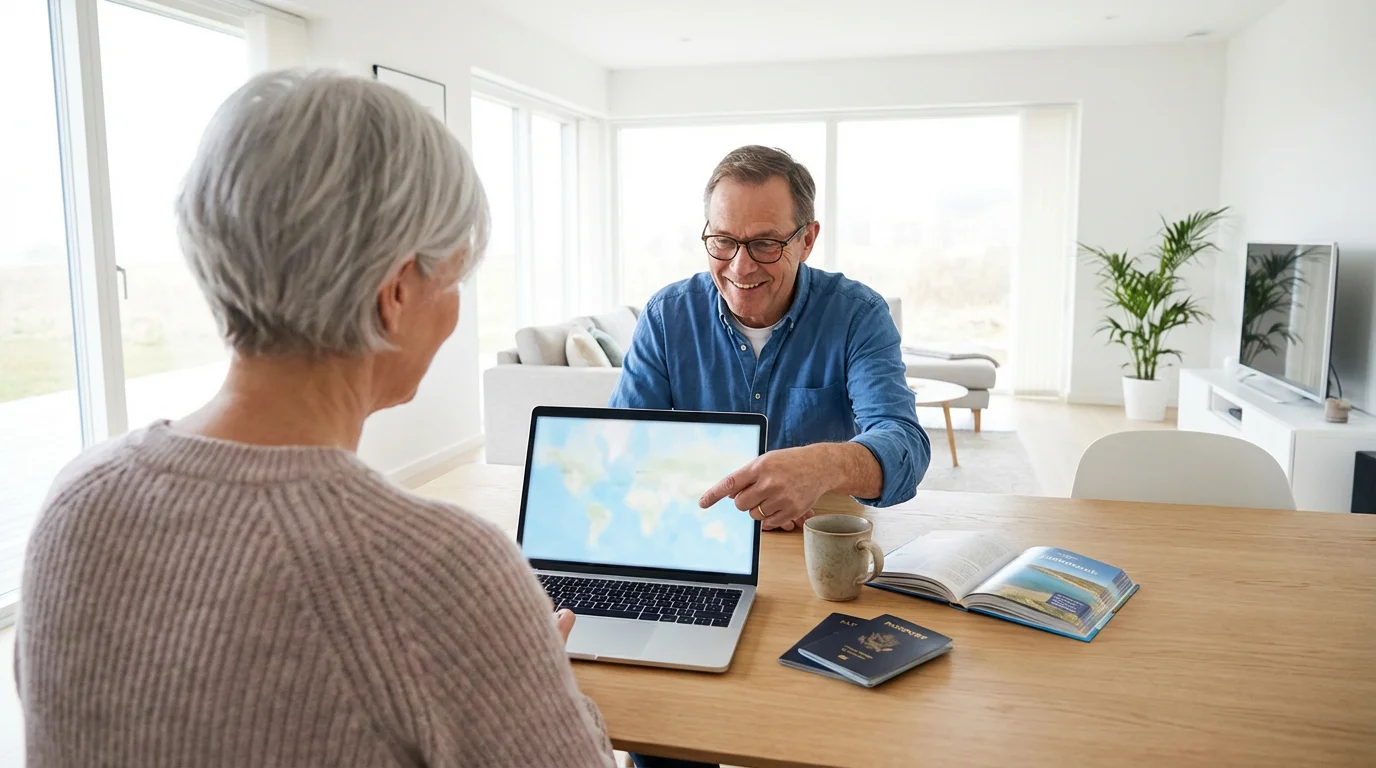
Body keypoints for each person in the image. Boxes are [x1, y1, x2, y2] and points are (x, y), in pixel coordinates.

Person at [16, 69, 613, 767]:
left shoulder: (74, 501)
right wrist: (542, 686)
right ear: (393, 293)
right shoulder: (444, 574)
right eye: (452, 280)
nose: (454, 313)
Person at [611, 145, 931, 534]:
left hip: (819, 539)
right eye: (723, 240)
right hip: (697, 534)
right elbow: (625, 447)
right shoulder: (666, 316)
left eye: (766, 244)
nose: (740, 267)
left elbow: (906, 447)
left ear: (807, 241)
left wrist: (822, 467)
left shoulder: (858, 315)